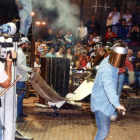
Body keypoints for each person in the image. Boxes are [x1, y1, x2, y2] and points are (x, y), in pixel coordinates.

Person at [91, 41, 127, 140]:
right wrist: (117, 104)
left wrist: (115, 104)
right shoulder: (106, 67)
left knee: (103, 131)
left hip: (105, 103)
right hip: (101, 104)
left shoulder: (111, 63)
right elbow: (108, 86)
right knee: (103, 132)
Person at [16, 37, 39, 123]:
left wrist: (28, 74)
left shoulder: (21, 52)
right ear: (24, 44)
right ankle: (17, 115)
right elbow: (19, 66)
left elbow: (22, 67)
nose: (28, 46)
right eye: (27, 44)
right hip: (19, 79)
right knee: (19, 98)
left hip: (22, 77)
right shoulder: (19, 52)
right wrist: (30, 69)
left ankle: (20, 113)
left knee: (21, 97)